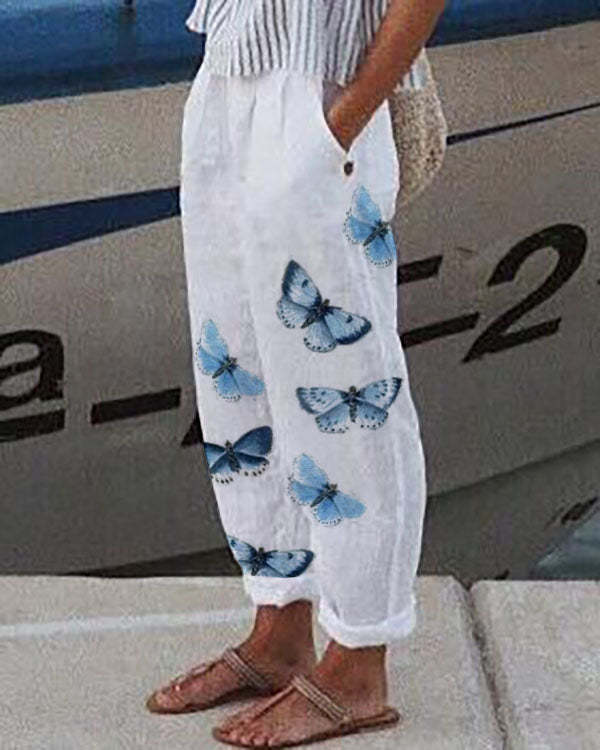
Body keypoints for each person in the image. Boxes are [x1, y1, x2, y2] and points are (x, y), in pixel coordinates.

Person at [146, 0, 445, 746]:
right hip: (230, 79)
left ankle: (358, 663)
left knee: (346, 390)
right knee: (237, 369)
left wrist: (340, 124)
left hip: (321, 92)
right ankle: (279, 628)